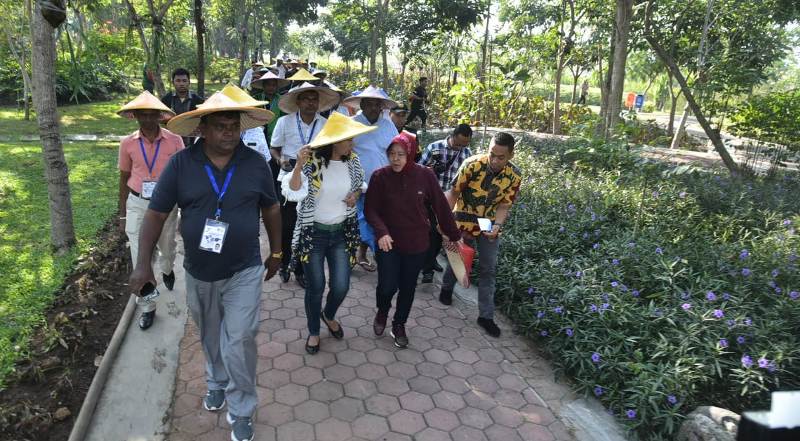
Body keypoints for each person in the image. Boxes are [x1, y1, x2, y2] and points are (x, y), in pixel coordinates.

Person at [129, 91, 279, 441]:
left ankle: (242, 407)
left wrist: (277, 252)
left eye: (234, 126)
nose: (229, 132)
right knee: (211, 335)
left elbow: (271, 207)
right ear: (202, 129)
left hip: (244, 268)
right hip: (199, 270)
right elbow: (156, 213)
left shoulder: (255, 163)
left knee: (240, 338)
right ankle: (216, 380)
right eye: (220, 126)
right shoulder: (181, 164)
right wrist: (143, 264)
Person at [281, 113, 373, 354]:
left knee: (341, 285)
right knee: (316, 286)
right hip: (314, 233)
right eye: (348, 139)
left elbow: (360, 185)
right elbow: (293, 190)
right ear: (334, 141)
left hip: (341, 233)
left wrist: (355, 195)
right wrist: (298, 165)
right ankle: (313, 331)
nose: (352, 144)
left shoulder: (353, 161)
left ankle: (328, 314)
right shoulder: (312, 162)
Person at [365, 132, 461, 348]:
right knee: (387, 286)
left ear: (410, 154)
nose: (395, 159)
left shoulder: (425, 175)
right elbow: (371, 209)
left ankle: (399, 324)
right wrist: (381, 231)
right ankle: (382, 311)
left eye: (401, 154)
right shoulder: (380, 176)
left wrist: (454, 235)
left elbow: (441, 206)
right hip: (388, 243)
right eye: (392, 154)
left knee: (408, 288)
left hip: (416, 243)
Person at [438, 132, 522, 338]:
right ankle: (447, 288)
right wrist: (445, 223)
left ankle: (485, 316)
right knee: (459, 258)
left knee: (488, 269)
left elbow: (504, 205)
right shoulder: (471, 165)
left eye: (501, 157)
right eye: (492, 154)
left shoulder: (514, 176)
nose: (494, 160)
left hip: (488, 223)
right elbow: (454, 193)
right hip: (464, 217)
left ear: (511, 155)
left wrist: (497, 225)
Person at [117, 91, 183, 330]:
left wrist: (185, 207)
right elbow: (123, 178)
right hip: (138, 203)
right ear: (135, 116)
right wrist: (122, 214)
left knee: (167, 248)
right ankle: (147, 307)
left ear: (159, 115)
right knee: (139, 256)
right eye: (142, 115)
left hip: (166, 205)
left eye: (151, 114)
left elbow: (182, 175)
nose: (147, 119)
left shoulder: (174, 141)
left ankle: (167, 269)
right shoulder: (127, 143)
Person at [271, 82, 340, 287]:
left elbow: (331, 151)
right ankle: (284, 264)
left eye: (314, 99)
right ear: (298, 102)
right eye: (306, 99)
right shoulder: (284, 122)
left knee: (307, 224)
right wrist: (280, 160)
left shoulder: (326, 124)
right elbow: (274, 148)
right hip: (290, 173)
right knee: (288, 224)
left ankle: (301, 269)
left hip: (315, 174)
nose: (311, 103)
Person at [342, 85, 399, 272]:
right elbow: (342, 152)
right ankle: (349, 256)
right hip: (357, 183)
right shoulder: (351, 124)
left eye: (377, 104)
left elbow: (396, 151)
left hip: (383, 184)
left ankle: (362, 254)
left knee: (376, 220)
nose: (374, 108)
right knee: (355, 220)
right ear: (362, 105)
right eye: (370, 104)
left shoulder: (388, 125)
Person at [417, 124, 473, 283]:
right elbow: (418, 170)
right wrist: (431, 170)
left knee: (440, 235)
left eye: (465, 144)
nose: (461, 147)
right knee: (430, 233)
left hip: (450, 202)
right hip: (429, 199)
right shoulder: (435, 148)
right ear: (453, 135)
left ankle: (429, 262)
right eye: (459, 143)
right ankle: (427, 268)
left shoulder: (467, 154)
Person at [161, 68, 205, 146]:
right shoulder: (166, 99)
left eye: (184, 81)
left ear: (189, 82)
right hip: (170, 141)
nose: (181, 84)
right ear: (173, 82)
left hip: (191, 142)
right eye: (178, 81)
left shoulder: (198, 101)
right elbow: (161, 119)